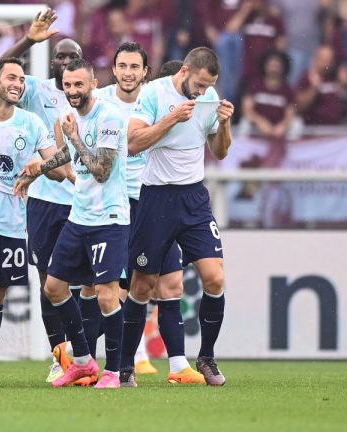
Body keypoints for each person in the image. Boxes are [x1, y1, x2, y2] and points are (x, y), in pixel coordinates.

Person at [91, 42, 204, 387]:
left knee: (170, 284)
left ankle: (179, 364)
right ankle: (103, 361)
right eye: (121, 66)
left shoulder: (156, 99)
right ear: (114, 70)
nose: (127, 73)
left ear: (145, 71)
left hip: (153, 202)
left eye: (134, 67)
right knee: (115, 289)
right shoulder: (101, 103)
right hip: (114, 206)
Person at [15, 58, 129, 389]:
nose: (73, 91)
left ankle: (114, 371)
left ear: (93, 83)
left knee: (107, 295)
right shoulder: (73, 117)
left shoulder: (109, 117)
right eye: (67, 85)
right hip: (79, 217)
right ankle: (82, 361)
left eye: (79, 85)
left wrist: (75, 137)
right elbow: (70, 156)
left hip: (108, 218)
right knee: (53, 287)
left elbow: (101, 169)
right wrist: (38, 169)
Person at [0, 57, 68, 388]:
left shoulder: (31, 123)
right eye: (10, 77)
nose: (18, 83)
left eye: (21, 79)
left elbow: (61, 169)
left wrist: (39, 167)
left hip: (14, 220)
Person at [127, 47, 234, 386]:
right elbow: (133, 143)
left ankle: (206, 357)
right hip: (157, 198)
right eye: (200, 85)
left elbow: (218, 151)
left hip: (194, 198)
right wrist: (172, 118)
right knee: (142, 286)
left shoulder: (209, 97)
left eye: (209, 86)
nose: (203, 92)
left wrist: (225, 125)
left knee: (215, 278)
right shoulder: (154, 93)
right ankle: (126, 365)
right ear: (185, 71)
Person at [0, 8, 82, 383]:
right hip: (46, 203)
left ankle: (85, 356)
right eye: (60, 55)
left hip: (84, 200)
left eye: (72, 56)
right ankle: (58, 355)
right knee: (49, 281)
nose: (65, 61)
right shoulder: (35, 89)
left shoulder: (91, 97)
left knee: (89, 283)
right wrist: (29, 40)